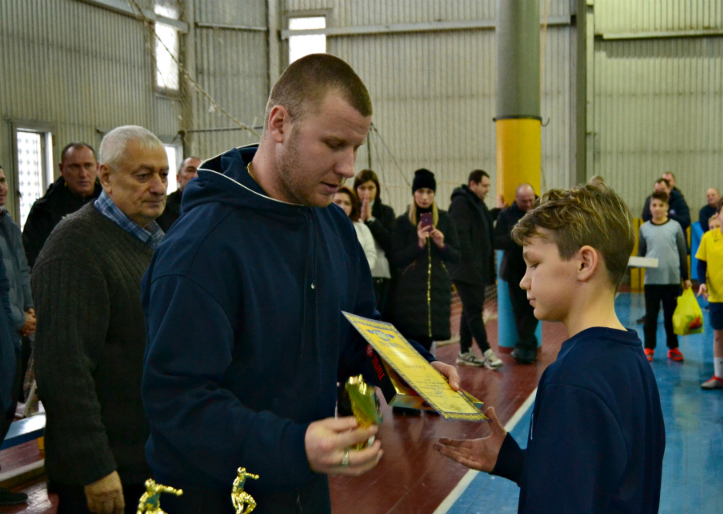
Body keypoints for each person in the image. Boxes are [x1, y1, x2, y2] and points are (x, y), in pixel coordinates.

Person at [140, 54, 459, 513]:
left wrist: (411, 369)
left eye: (355, 148)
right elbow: (178, 405)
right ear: (279, 123)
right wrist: (294, 446)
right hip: (215, 498)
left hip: (300, 493)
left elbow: (358, 329)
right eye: (333, 144)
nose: (349, 167)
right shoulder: (203, 249)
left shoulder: (331, 227)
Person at [435, 181, 665, 512]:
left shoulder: (572, 380)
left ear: (584, 263)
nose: (523, 280)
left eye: (534, 263)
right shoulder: (632, 361)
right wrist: (517, 463)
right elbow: (602, 483)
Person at [33, 125, 168, 514]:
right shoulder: (75, 247)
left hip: (149, 459)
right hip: (108, 472)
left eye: (162, 174)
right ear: (105, 177)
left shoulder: (150, 240)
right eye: (143, 176)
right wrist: (95, 467)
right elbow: (63, 369)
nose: (158, 187)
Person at [391, 168, 460, 352]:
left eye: (429, 192)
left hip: (437, 294)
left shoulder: (445, 219)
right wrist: (418, 245)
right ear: (413, 193)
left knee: (429, 351)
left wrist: (441, 244)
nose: (425, 197)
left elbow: (456, 256)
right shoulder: (403, 222)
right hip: (411, 297)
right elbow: (396, 258)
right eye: (420, 191)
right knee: (410, 348)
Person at [448, 170, 503, 369]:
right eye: (485, 185)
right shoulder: (461, 204)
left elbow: (484, 222)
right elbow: (460, 236)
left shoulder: (476, 204)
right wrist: (471, 265)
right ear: (473, 184)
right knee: (474, 311)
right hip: (466, 270)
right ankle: (487, 352)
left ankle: (464, 351)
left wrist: (498, 211)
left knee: (469, 310)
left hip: (476, 269)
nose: (488, 189)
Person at [22, 142, 102, 268]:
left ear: (97, 168)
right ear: (61, 169)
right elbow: (31, 256)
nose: (83, 174)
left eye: (88, 166)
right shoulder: (44, 210)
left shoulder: (114, 204)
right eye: (74, 167)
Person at [0, 173, 28, 507]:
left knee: (9, 402)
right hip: (8, 325)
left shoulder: (9, 225)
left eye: (4, 179)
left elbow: (22, 270)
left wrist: (30, 307)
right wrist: (20, 319)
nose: (2, 187)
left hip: (17, 326)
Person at [638, 191, 690, 362]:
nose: (657, 209)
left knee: (671, 317)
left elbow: (682, 253)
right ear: (650, 208)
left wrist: (686, 277)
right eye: (654, 205)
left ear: (667, 207)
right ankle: (649, 348)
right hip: (652, 281)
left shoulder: (675, 227)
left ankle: (673, 348)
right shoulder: (644, 228)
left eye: (661, 205)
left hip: (672, 281)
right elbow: (641, 253)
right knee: (650, 317)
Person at [494, 183, 539, 364]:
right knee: (519, 311)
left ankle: (524, 344)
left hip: (537, 269)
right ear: (516, 199)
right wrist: (516, 237)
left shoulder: (541, 212)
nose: (528, 204)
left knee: (535, 308)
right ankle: (528, 345)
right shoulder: (505, 216)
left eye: (531, 200)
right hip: (514, 271)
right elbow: (496, 241)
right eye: (524, 201)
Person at [354, 169, 395, 316]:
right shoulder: (350, 211)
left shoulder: (386, 212)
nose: (366, 193)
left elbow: (391, 244)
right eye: (362, 188)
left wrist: (371, 220)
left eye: (371, 188)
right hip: (355, 273)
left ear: (377, 189)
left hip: (379, 272)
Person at [696, 198, 723, 389]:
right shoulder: (708, 237)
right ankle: (719, 376)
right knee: (718, 336)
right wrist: (702, 284)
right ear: (718, 214)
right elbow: (701, 264)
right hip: (717, 296)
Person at [332, 186, 376, 270]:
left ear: (352, 207)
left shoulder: (362, 228)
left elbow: (371, 255)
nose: (342, 207)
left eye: (347, 203)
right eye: (338, 202)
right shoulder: (320, 227)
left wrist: (358, 271)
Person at [155, 156, 201, 232]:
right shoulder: (161, 207)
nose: (195, 176)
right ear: (178, 178)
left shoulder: (212, 207)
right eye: (190, 170)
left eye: (200, 172)